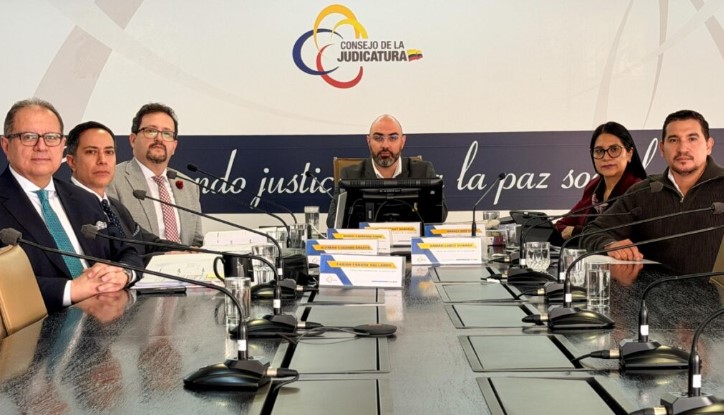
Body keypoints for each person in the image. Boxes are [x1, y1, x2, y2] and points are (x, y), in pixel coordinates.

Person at [0, 98, 143, 312]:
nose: (41, 147)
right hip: (39, 326)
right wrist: (71, 290)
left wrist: (123, 273)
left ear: (62, 145)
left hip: (107, 317)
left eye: (51, 137)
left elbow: (127, 250)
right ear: (6, 145)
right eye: (28, 137)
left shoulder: (84, 198)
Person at [583, 110, 724, 274]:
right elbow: (592, 232)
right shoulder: (643, 191)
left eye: (692, 139)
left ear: (708, 145)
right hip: (653, 290)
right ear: (662, 149)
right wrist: (610, 245)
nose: (682, 148)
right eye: (673, 140)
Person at [66, 121, 183, 259]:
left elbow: (147, 242)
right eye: (91, 152)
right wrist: (163, 256)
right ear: (72, 162)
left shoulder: (114, 206)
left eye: (109, 152)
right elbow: (110, 261)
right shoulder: (67, 206)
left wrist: (187, 251)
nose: (102, 160)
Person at [107, 103, 203, 247]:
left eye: (167, 133)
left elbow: (197, 241)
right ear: (133, 140)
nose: (159, 138)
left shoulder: (189, 186)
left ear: (174, 146)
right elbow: (115, 242)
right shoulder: (112, 180)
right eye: (151, 131)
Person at [326, 114, 447, 227]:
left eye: (393, 138)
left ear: (402, 141)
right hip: (368, 241)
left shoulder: (423, 171)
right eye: (378, 138)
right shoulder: (350, 175)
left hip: (411, 241)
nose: (385, 145)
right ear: (369, 141)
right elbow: (333, 221)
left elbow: (440, 216)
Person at [555, 122, 647, 241]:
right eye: (599, 151)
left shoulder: (639, 190)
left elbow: (625, 235)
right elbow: (561, 225)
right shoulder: (593, 187)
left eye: (614, 149)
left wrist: (577, 232)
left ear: (629, 153)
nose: (606, 157)